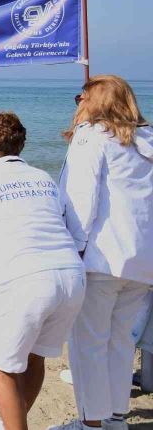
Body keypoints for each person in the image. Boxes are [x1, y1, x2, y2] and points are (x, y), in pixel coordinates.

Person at [0, 112, 85, 430]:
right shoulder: (44, 178)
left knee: (3, 369)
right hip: (70, 275)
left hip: (25, 279)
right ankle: (14, 421)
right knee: (35, 357)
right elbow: (69, 230)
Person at [49, 75, 153, 430]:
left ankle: (93, 422)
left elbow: (81, 199)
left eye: (81, 96)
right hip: (141, 259)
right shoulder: (147, 139)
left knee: (89, 342)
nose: (77, 102)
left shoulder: (93, 137)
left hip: (101, 256)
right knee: (121, 341)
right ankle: (116, 417)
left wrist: (71, 249)